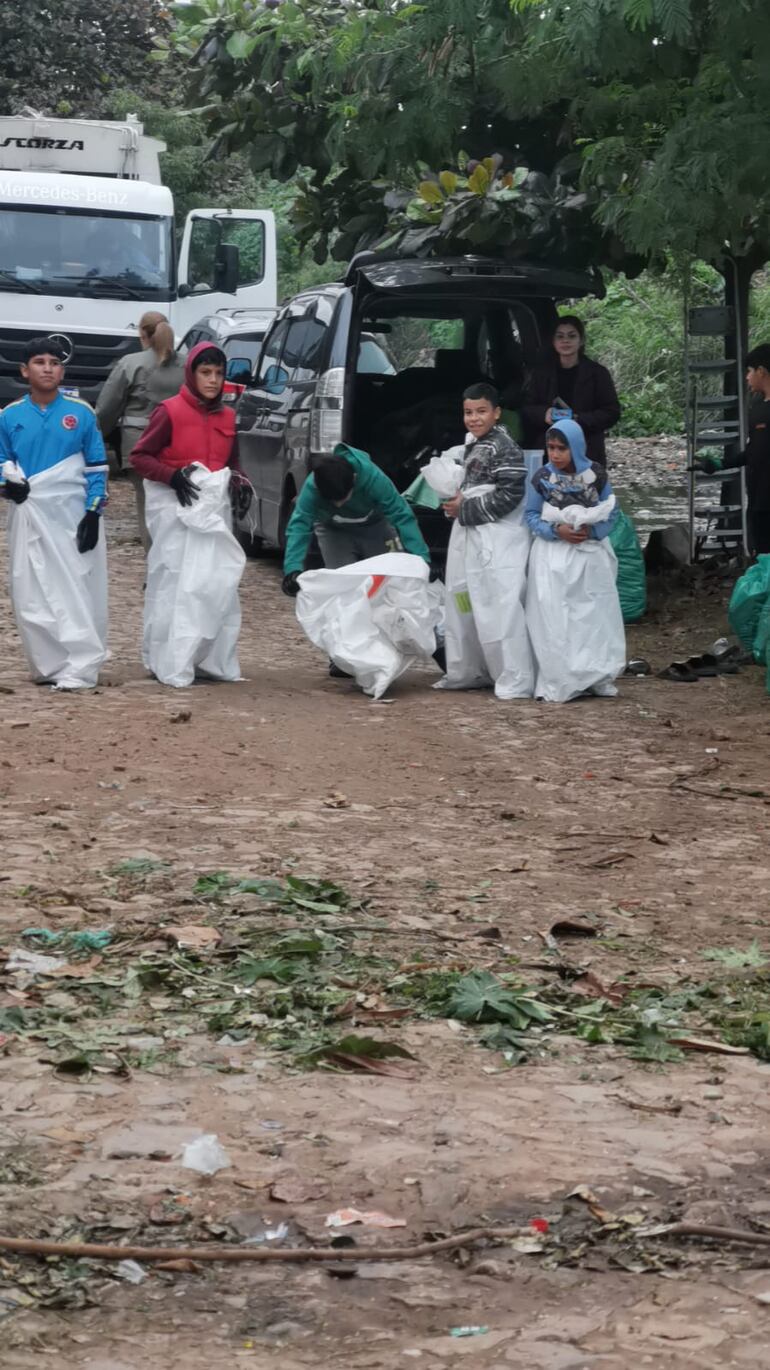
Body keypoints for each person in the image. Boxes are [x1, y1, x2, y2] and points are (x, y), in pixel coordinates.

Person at [130, 343, 247, 687]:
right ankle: (168, 658)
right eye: (205, 373)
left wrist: (239, 481)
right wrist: (172, 476)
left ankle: (209, 658)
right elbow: (140, 457)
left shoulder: (228, 416)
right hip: (175, 512)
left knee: (215, 584)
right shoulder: (169, 412)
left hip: (212, 513)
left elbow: (231, 461)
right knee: (176, 584)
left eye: (219, 374)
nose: (212, 381)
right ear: (191, 374)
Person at [0, 336, 109, 689]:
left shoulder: (81, 414)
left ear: (62, 371)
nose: (47, 368)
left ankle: (81, 661)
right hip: (29, 515)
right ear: (24, 370)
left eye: (54, 363)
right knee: (30, 588)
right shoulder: (10, 416)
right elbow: (2, 462)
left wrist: (93, 512)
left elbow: (96, 468)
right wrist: (8, 484)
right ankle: (48, 663)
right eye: (40, 362)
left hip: (71, 516)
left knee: (76, 587)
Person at [281, 444, 433, 677]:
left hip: (375, 527)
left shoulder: (373, 478)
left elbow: (402, 515)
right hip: (333, 531)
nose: (340, 504)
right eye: (333, 500)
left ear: (354, 478)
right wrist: (292, 568)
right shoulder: (312, 487)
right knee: (343, 591)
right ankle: (341, 655)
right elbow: (299, 525)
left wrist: (421, 558)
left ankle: (385, 651)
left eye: (344, 497)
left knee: (382, 588)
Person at [436, 382, 534, 699]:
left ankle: (511, 674)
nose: (474, 419)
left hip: (498, 540)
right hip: (471, 538)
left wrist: (466, 509)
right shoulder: (473, 446)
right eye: (468, 412)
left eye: (481, 411)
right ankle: (472, 668)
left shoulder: (505, 448)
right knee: (466, 598)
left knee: (499, 602)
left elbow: (511, 495)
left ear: (497, 412)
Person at [525, 419, 625, 702]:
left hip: (590, 554)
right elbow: (531, 515)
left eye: (562, 448)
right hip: (553, 555)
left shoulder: (596, 475)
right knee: (556, 615)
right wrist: (557, 530)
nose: (555, 454)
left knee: (595, 614)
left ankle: (598, 673)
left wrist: (592, 530)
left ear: (577, 447)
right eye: (551, 447)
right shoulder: (543, 477)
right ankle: (562, 673)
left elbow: (612, 510)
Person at [96, 312, 185, 552]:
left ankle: (154, 564)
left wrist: (95, 439)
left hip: (139, 445)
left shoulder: (130, 363)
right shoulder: (186, 365)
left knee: (148, 506)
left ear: (142, 334)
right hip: (178, 444)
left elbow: (107, 408)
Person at [696, 343, 770, 554]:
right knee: (763, 552)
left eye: (749, 372)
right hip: (759, 497)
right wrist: (719, 464)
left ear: (761, 371)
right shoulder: (758, 408)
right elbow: (755, 450)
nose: (747, 378)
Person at [521, 316, 620, 464]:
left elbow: (612, 412)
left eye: (571, 336)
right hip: (549, 450)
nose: (565, 341)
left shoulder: (597, 373)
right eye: (560, 336)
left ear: (581, 340)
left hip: (587, 448)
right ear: (553, 341)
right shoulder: (541, 373)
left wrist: (578, 420)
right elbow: (526, 408)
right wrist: (544, 414)